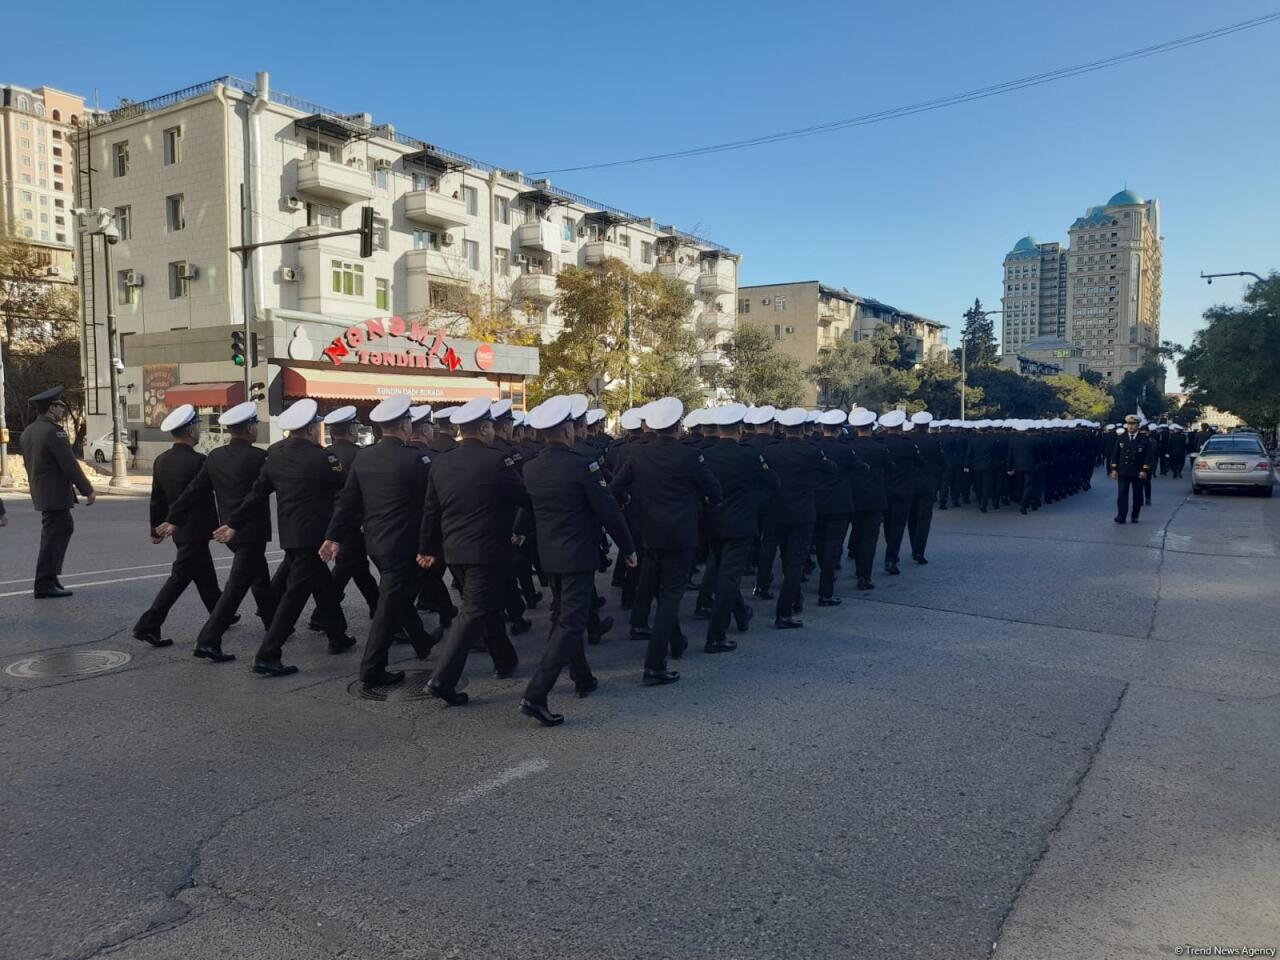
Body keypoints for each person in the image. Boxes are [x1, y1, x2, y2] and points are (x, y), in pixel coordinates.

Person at [516, 396, 637, 726]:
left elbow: (530, 507)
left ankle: (582, 677)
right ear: (568, 431)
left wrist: (520, 533)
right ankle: (536, 694)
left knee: (565, 616)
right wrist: (627, 548)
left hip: (548, 555)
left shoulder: (531, 466)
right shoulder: (582, 464)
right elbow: (607, 509)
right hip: (577, 554)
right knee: (570, 623)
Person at [215, 398, 356, 677]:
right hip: (316, 536)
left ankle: (337, 636)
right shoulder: (323, 458)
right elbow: (348, 492)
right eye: (318, 424)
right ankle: (268, 654)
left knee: (323, 586)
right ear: (311, 428)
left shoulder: (276, 454)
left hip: (291, 534)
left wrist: (233, 522)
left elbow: (257, 493)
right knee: (294, 597)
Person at [417, 397, 529, 706]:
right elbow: (524, 498)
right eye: (491, 427)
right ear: (483, 429)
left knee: (485, 607)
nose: (494, 432)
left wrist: (428, 548)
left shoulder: (442, 461)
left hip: (455, 551)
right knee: (472, 612)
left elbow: (431, 510)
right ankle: (442, 679)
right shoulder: (497, 460)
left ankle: (504, 659)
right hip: (487, 550)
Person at [321, 396, 437, 691]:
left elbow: (347, 502)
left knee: (396, 592)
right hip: (406, 544)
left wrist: (333, 536)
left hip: (375, 542)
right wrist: (430, 544)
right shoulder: (415, 458)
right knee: (389, 604)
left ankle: (421, 641)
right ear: (405, 425)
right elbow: (431, 504)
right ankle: (371, 669)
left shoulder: (365, 457)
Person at [609, 397, 721, 683]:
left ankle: (677, 641)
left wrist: (631, 502)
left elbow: (615, 489)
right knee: (670, 597)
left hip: (649, 532)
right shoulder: (689, 455)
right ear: (679, 426)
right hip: (681, 534)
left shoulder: (637, 454)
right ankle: (654, 665)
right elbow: (714, 490)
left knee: (658, 588)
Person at [159, 401, 276, 662]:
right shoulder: (258, 458)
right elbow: (257, 496)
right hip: (247, 531)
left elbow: (193, 491)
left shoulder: (215, 457)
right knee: (236, 588)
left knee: (259, 578)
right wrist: (235, 523)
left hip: (230, 531)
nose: (257, 428)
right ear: (249, 428)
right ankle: (208, 640)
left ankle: (275, 625)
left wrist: (173, 519)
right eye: (255, 424)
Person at [133, 404, 223, 649]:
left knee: (202, 574)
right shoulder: (199, 461)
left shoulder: (162, 460)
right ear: (191, 430)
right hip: (195, 527)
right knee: (180, 578)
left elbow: (157, 497)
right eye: (198, 427)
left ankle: (221, 612)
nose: (200, 431)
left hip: (178, 528)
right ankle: (148, 624)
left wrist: (156, 528)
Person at [697, 403, 775, 647]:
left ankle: (741, 614)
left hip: (713, 523)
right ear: (740, 429)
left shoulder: (704, 456)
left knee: (723, 571)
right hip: (740, 524)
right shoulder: (750, 455)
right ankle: (716, 636)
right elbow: (773, 481)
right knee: (729, 577)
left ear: (719, 429)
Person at [19, 385, 96, 598]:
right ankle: (44, 583)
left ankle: (51, 577)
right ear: (51, 409)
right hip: (54, 495)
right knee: (55, 535)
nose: (63, 410)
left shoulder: (29, 431)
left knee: (56, 532)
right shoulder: (54, 432)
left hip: (41, 492)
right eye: (60, 406)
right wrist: (87, 490)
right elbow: (69, 465)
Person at [761, 406, 830, 628]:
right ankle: (784, 612)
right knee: (795, 562)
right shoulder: (811, 451)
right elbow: (830, 468)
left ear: (782, 428)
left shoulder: (771, 451)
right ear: (802, 429)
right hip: (802, 512)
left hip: (777, 510)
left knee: (785, 556)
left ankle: (795, 598)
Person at [316, 406, 379, 626]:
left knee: (358, 568)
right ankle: (322, 614)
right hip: (353, 521)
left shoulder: (324, 455)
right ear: (352, 430)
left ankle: (377, 607)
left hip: (330, 519)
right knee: (347, 567)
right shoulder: (361, 454)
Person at [847, 409, 888, 590]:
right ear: (872, 427)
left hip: (853, 496)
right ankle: (864, 575)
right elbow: (890, 468)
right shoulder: (880, 449)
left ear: (855, 428)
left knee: (856, 531)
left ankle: (856, 563)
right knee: (870, 538)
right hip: (874, 497)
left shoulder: (849, 447)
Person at [877, 410, 917, 574]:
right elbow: (918, 462)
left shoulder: (879, 443)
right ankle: (891, 558)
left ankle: (890, 550)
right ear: (901, 426)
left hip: (884, 489)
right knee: (898, 525)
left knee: (887, 522)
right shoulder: (908, 444)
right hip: (903, 489)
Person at [907, 411, 944, 562]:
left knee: (912, 517)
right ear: (928, 426)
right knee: (924, 518)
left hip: (910, 483)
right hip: (928, 483)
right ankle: (919, 551)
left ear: (914, 425)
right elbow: (942, 462)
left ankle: (913, 546)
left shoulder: (907, 440)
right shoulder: (934, 441)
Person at [1110, 415, 1152, 524]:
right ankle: (1121, 516)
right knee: (1122, 494)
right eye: (1129, 424)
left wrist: (1144, 470)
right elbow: (1115, 454)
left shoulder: (1144, 439)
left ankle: (1135, 515)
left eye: (1133, 425)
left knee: (1137, 495)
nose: (1131, 427)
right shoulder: (1121, 437)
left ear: (1138, 426)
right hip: (1123, 471)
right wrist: (1114, 469)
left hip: (1138, 472)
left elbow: (1148, 457)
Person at [1006, 420, 1039, 515]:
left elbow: (1010, 456)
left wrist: (1009, 468)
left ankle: (1023, 501)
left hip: (1017, 466)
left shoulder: (1013, 440)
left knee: (1019, 485)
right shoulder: (1032, 440)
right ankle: (1024, 504)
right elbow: (1036, 454)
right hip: (1030, 466)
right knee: (1029, 486)